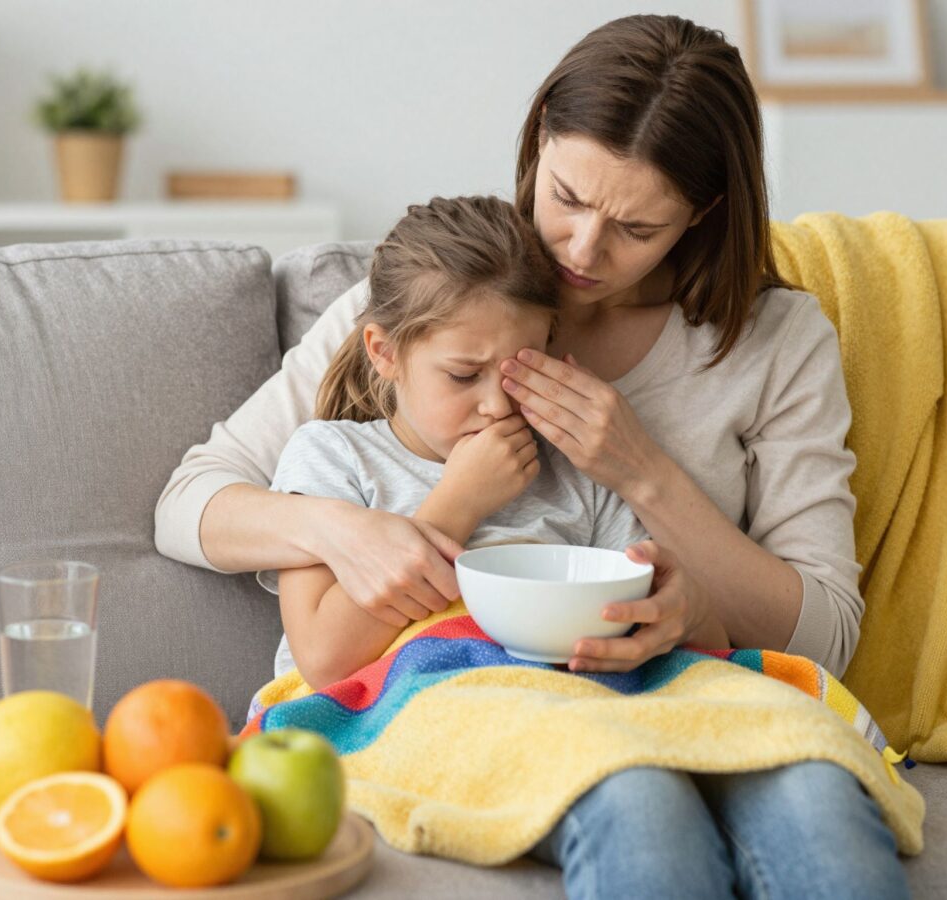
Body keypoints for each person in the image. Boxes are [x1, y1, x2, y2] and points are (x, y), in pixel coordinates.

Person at [156, 13, 910, 899]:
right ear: (539, 139)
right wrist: (343, 531)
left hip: (639, 685)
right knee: (637, 804)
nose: (583, 251)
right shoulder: (427, 302)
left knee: (820, 800)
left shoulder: (775, 342)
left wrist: (643, 472)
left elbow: (819, 633)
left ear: (702, 213)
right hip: (480, 704)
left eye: (638, 227)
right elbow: (190, 503)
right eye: (568, 198)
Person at [258, 194, 669, 687]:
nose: (497, 405)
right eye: (463, 375)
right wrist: (458, 504)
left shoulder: (576, 469)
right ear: (385, 353)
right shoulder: (333, 457)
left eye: (522, 371)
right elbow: (324, 662)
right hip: (392, 708)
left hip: (552, 703)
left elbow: (644, 626)